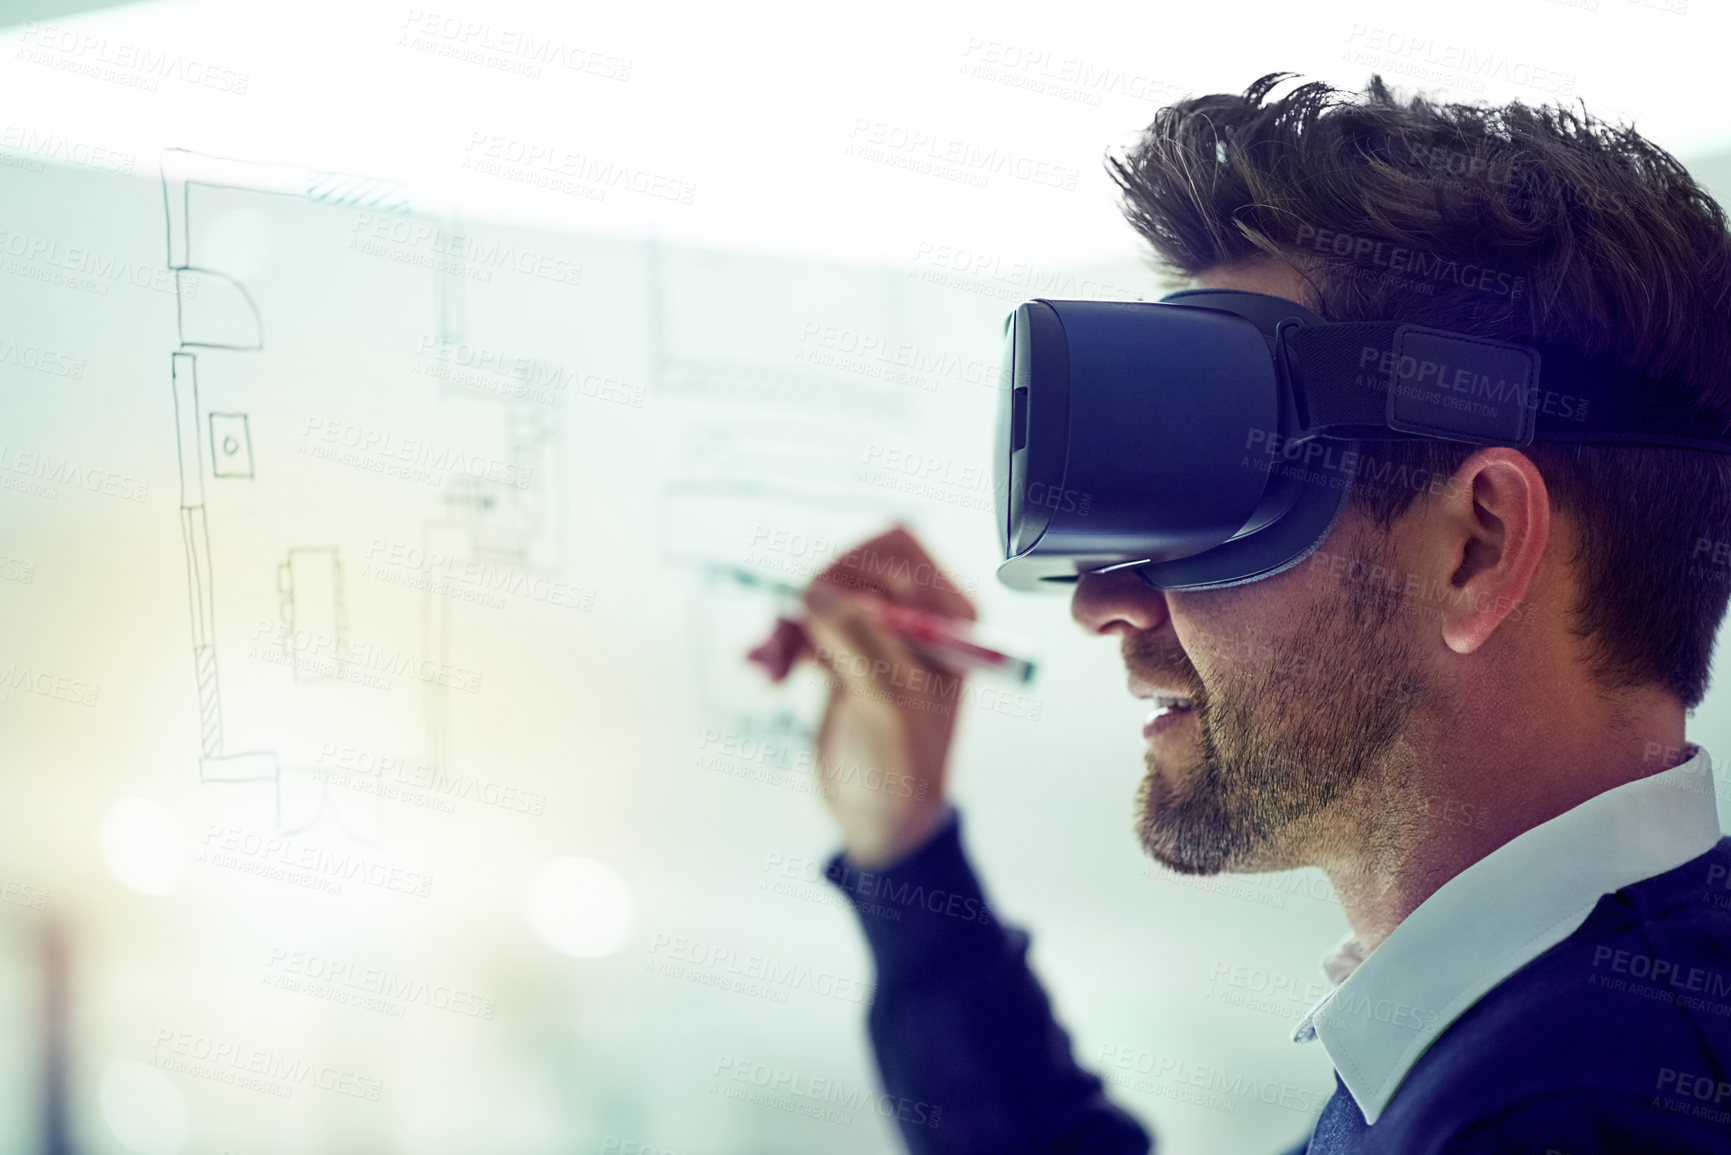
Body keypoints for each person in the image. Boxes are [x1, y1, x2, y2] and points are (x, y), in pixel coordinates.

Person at [752, 73, 1731, 1153]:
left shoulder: (1563, 1116)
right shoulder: (1550, 1033)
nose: (1107, 604)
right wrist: (906, 851)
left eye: (1221, 490)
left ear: (1476, 547)